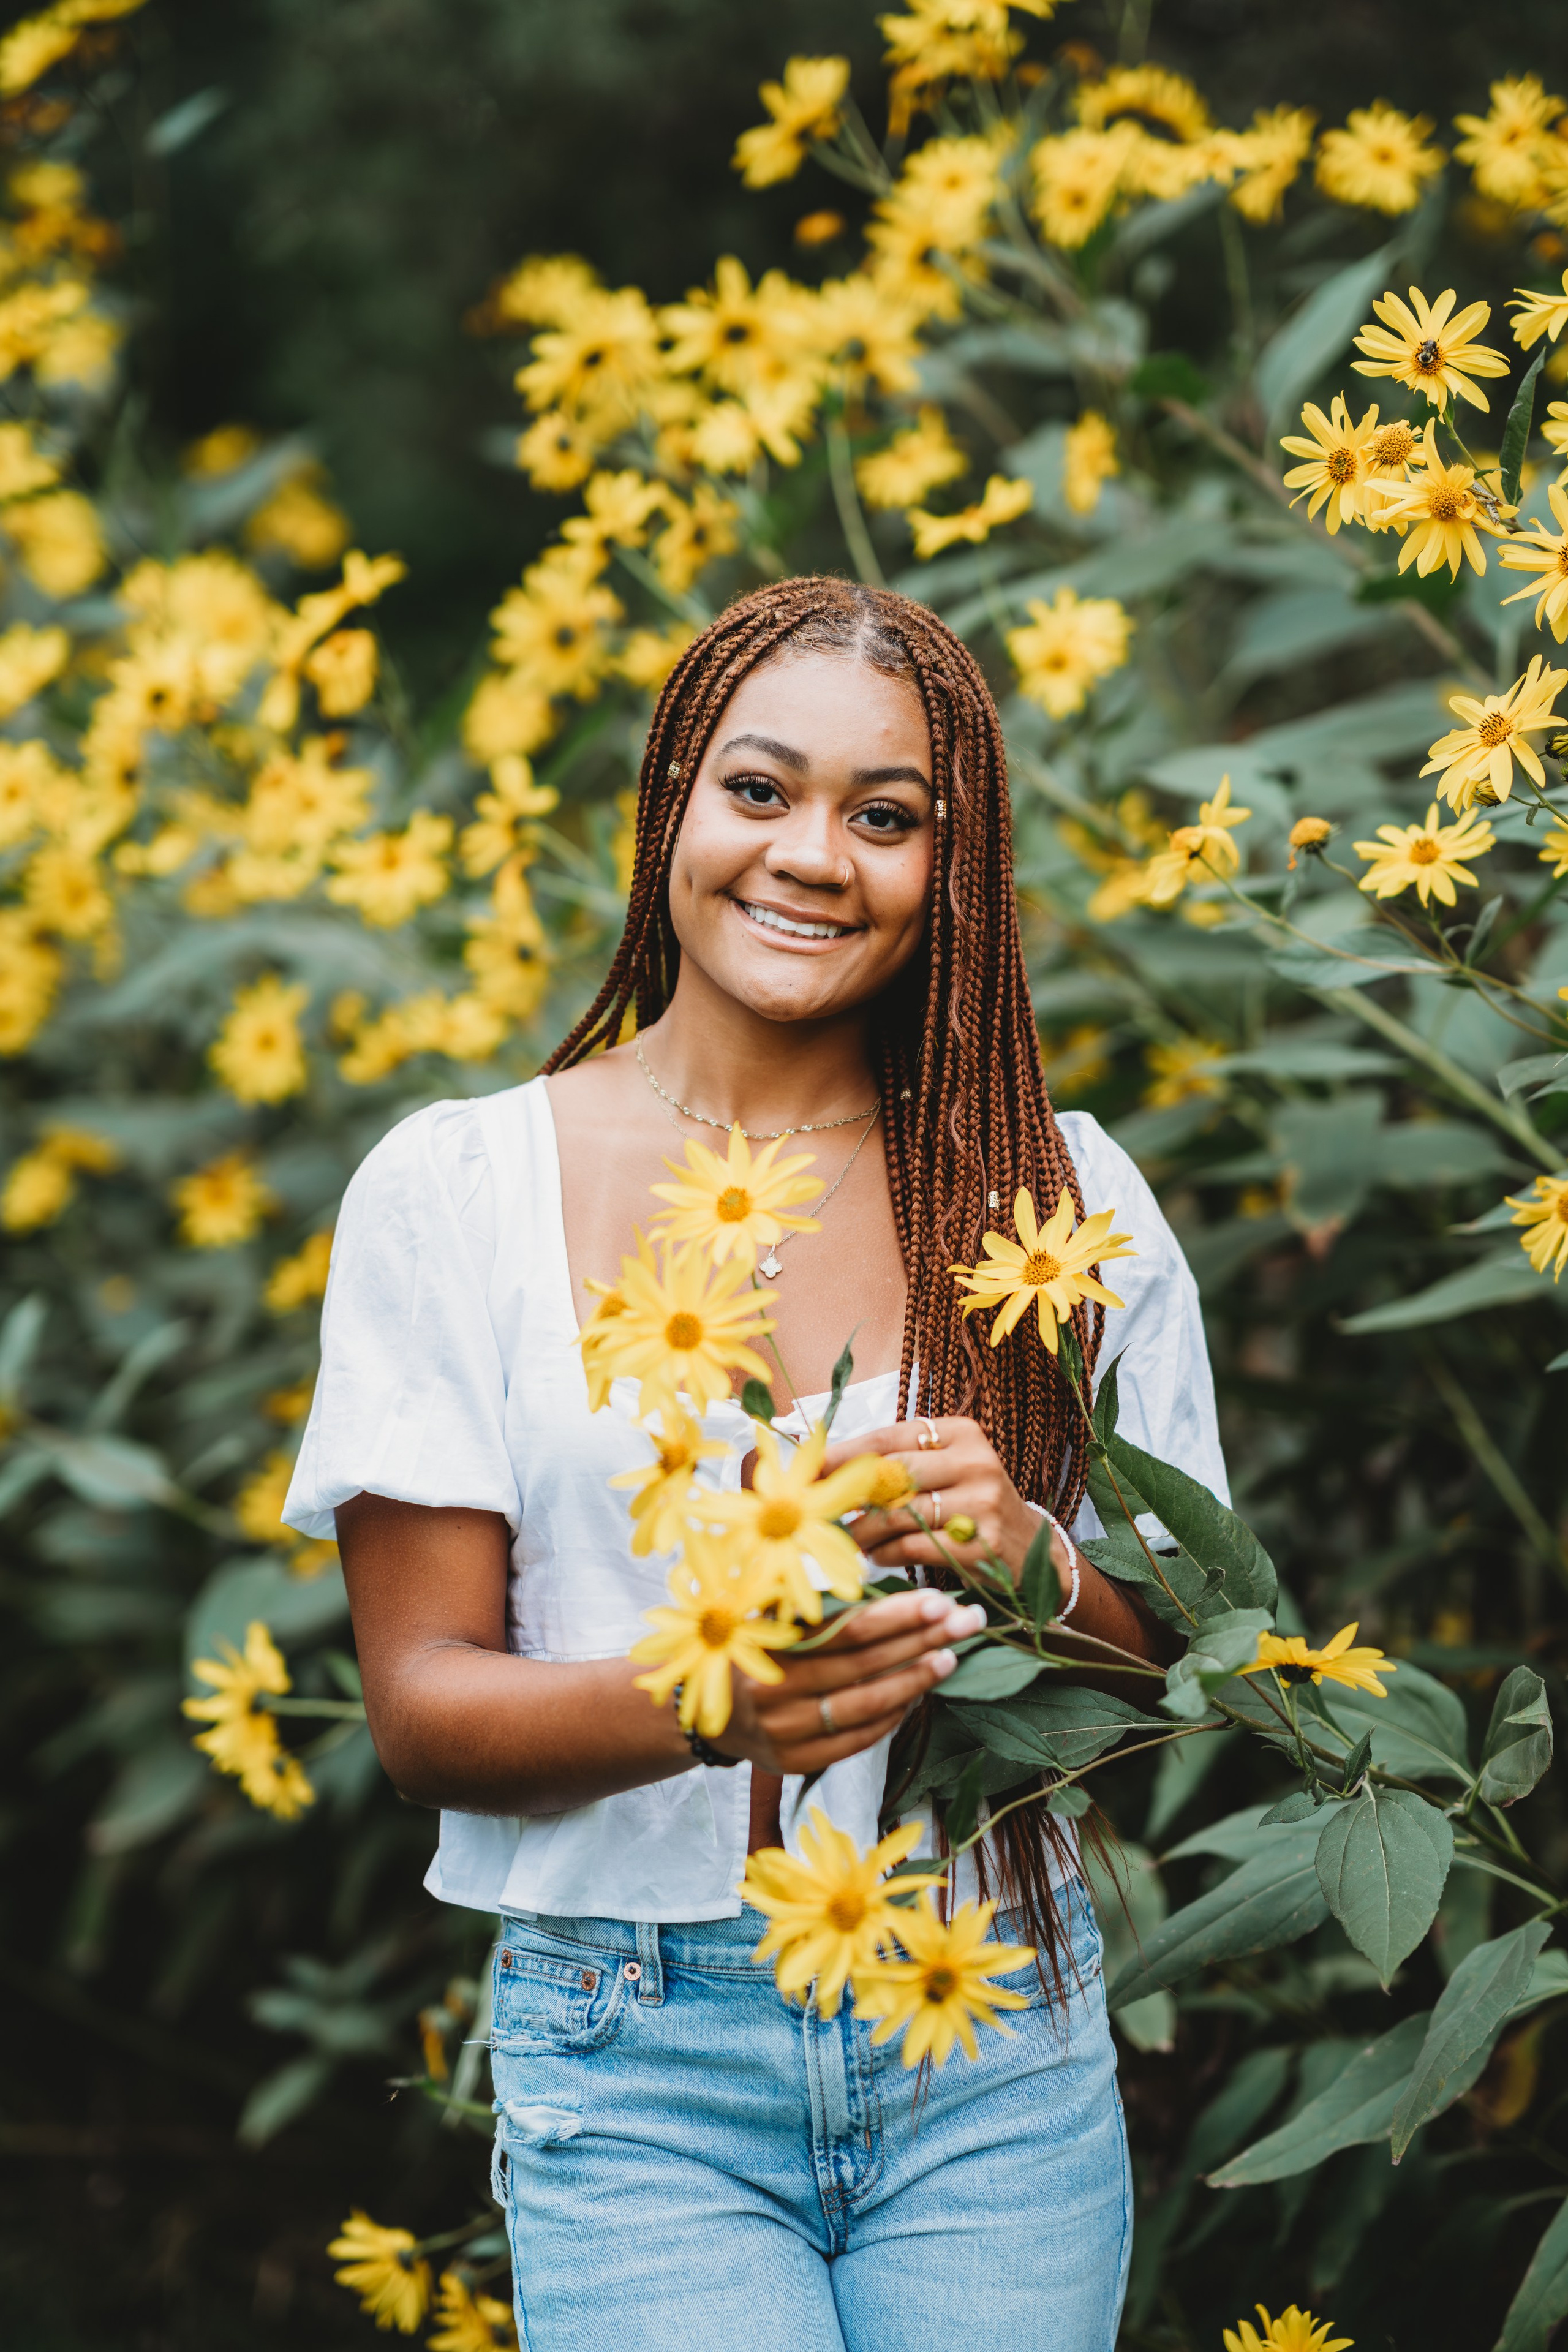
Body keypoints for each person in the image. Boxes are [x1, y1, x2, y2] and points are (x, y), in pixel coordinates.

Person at [284, 577, 1227, 2352]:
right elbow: (420, 1709)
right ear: (672, 809)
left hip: (991, 2023)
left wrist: (1033, 1556)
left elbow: (1190, 1667)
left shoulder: (1063, 1200)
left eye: (887, 818)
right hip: (638, 2050)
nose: (814, 856)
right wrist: (714, 1703)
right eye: (761, 791)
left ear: (953, 867)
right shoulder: (456, 1188)